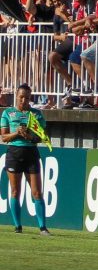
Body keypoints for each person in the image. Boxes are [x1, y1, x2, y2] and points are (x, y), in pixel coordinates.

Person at [0, 84, 49, 235]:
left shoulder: (36, 114)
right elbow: (4, 137)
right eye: (21, 97)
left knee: (37, 192)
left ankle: (42, 228)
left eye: (27, 98)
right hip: (14, 153)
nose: (24, 100)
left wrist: (28, 136)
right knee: (15, 191)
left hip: (31, 154)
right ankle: (17, 226)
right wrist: (17, 133)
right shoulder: (8, 113)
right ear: (16, 96)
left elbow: (42, 137)